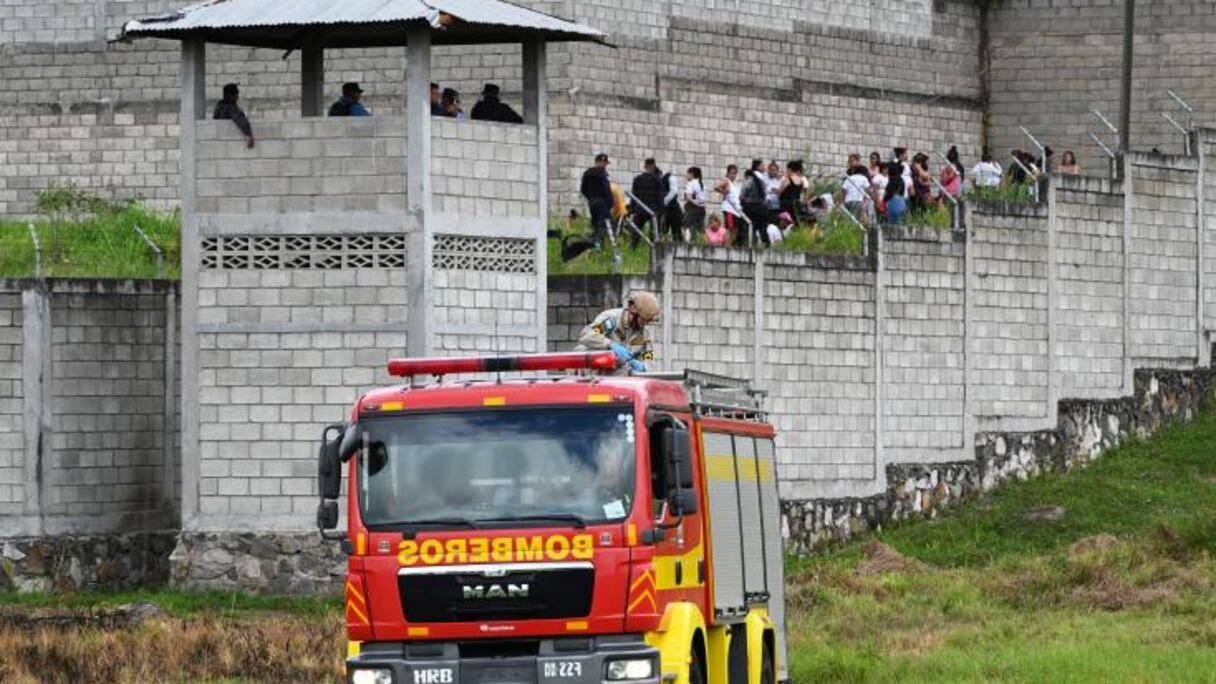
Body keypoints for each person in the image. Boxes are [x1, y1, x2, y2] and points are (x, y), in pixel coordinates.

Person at [575, 291, 661, 373]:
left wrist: (643, 366)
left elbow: (649, 357)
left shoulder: (644, 334)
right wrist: (610, 344)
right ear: (633, 310)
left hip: (615, 373)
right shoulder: (611, 322)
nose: (645, 324)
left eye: (648, 321)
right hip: (592, 370)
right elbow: (587, 335)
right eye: (643, 319)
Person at [580, 153, 613, 247]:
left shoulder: (587, 172)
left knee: (595, 223)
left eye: (605, 163)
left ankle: (594, 244)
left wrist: (591, 198)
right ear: (598, 162)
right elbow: (607, 190)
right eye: (604, 163)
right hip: (602, 203)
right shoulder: (603, 174)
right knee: (602, 225)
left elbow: (583, 189)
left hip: (593, 202)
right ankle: (599, 245)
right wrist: (610, 204)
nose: (605, 165)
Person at [631, 159, 665, 243]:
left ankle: (633, 247)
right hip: (653, 209)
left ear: (645, 166)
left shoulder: (637, 179)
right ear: (654, 167)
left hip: (640, 208)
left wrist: (632, 209)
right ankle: (653, 248)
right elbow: (660, 198)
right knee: (653, 233)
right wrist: (661, 212)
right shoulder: (657, 180)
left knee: (636, 232)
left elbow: (633, 196)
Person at [737, 161, 770, 247]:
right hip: (761, 207)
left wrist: (743, 200)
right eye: (762, 165)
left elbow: (742, 195)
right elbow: (765, 195)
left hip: (749, 207)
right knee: (762, 228)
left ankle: (742, 244)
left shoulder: (749, 180)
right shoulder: (762, 180)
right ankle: (766, 245)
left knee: (746, 226)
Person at [213, 83, 255, 149]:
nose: (238, 96)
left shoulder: (220, 105)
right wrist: (248, 134)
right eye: (237, 94)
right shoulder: (230, 106)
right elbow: (239, 118)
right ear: (233, 95)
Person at [715, 164, 743, 238]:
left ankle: (731, 243)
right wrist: (724, 192)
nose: (733, 175)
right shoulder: (726, 180)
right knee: (730, 228)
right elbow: (716, 187)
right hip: (729, 209)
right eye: (731, 173)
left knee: (735, 230)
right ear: (728, 173)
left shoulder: (735, 184)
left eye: (734, 173)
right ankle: (727, 243)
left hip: (736, 210)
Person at [776, 160, 807, 224]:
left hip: (786, 204)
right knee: (795, 222)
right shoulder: (801, 180)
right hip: (796, 204)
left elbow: (779, 191)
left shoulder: (788, 179)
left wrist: (775, 190)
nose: (786, 171)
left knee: (785, 222)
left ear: (790, 169)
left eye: (787, 169)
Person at [682, 166, 707, 240]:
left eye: (688, 173)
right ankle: (702, 243)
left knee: (686, 227)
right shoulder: (703, 184)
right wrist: (699, 204)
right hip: (702, 209)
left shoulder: (691, 183)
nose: (686, 175)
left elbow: (688, 197)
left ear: (692, 174)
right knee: (700, 229)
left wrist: (695, 203)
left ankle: (688, 243)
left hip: (692, 209)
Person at [660, 166, 682, 241]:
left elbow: (673, 192)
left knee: (675, 231)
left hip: (672, 208)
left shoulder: (670, 178)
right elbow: (673, 191)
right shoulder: (665, 178)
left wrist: (664, 201)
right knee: (664, 231)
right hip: (667, 208)